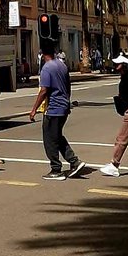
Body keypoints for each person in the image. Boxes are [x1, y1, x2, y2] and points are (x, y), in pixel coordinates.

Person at [29, 47, 86, 180]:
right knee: (57, 136)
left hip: (53, 108)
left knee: (49, 140)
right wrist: (67, 101)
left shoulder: (47, 68)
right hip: (63, 106)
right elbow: (68, 86)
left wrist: (34, 109)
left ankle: (56, 169)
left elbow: (43, 90)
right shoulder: (62, 66)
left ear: (43, 55)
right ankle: (74, 161)